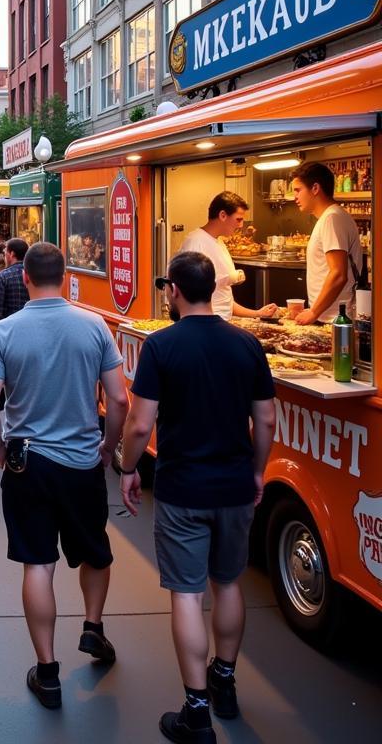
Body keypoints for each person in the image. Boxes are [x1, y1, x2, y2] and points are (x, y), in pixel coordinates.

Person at [119, 252, 276, 743]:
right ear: (212, 288)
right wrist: (256, 472)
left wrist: (127, 467)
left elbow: (141, 423)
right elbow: (267, 420)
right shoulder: (247, 344)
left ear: (175, 292)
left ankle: (196, 711)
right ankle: (224, 681)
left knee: (187, 594)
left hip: (183, 487)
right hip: (233, 485)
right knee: (227, 584)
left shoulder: (161, 347)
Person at [0, 242, 129, 710]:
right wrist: (109, 445)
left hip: (27, 463)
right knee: (94, 552)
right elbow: (119, 400)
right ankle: (93, 628)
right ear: (63, 275)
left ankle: (47, 672)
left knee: (38, 564)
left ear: (24, 278)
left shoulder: (4, 332)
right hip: (82, 460)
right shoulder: (94, 326)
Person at [179, 193, 278, 320]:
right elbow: (189, 292)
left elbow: (223, 298)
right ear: (223, 215)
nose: (241, 225)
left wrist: (257, 313)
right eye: (238, 219)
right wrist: (227, 278)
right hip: (206, 325)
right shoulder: (195, 242)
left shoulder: (219, 242)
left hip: (222, 321)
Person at [290, 160, 363, 325]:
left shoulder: (332, 218)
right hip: (329, 316)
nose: (295, 197)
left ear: (315, 188)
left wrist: (314, 312)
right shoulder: (330, 217)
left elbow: (338, 274)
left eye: (298, 190)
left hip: (334, 319)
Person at [0, 237, 29, 321]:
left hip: (9, 327)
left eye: (5, 253)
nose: (4, 256)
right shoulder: (34, 273)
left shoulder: (3, 276)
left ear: (11, 254)